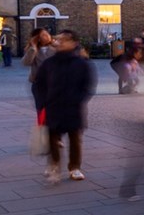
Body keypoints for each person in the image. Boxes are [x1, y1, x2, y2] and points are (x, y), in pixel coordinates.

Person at [32, 29, 97, 184]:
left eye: (64, 40)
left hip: (73, 107)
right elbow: (38, 85)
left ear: (73, 43)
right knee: (52, 137)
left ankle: (74, 167)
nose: (59, 42)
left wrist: (78, 100)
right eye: (58, 39)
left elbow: (88, 86)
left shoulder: (82, 63)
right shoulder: (49, 63)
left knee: (75, 138)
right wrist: (42, 103)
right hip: (52, 106)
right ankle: (54, 165)